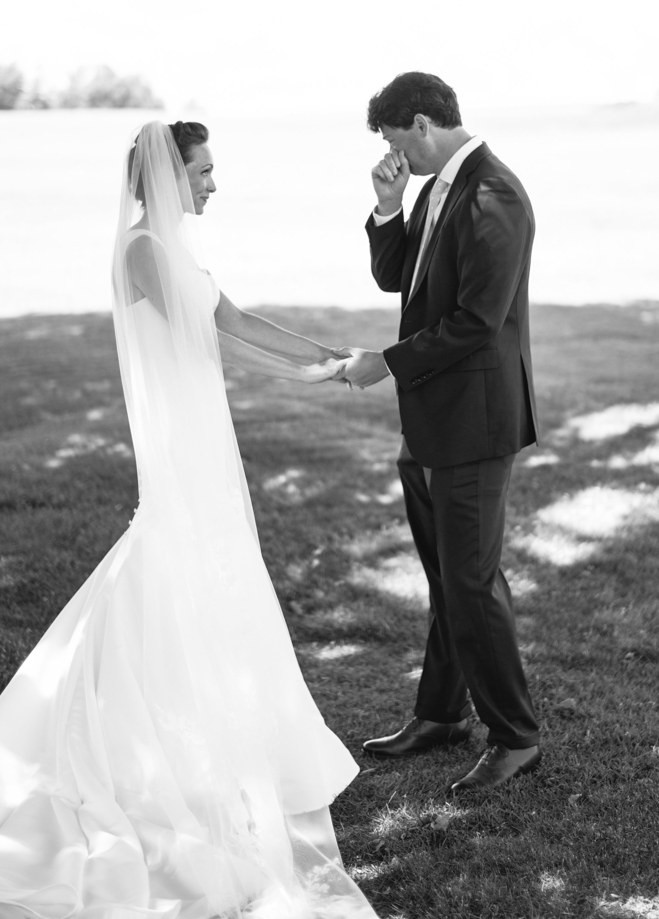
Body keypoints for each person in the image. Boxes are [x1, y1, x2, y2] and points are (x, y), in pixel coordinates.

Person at [0, 121, 378, 919]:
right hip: (181, 445)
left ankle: (208, 737)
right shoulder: (143, 250)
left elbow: (238, 321)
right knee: (166, 565)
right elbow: (209, 341)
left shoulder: (178, 252)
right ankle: (123, 737)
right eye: (204, 172)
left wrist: (332, 357)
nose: (213, 184)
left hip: (207, 440)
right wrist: (309, 380)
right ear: (170, 178)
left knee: (206, 576)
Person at [342, 72, 541, 796]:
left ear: (422, 123)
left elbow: (476, 322)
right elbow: (400, 279)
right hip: (430, 422)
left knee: (470, 579)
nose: (396, 155)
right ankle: (440, 714)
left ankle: (516, 737)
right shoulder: (433, 190)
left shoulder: (494, 193)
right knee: (445, 577)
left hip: (474, 424)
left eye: (397, 142)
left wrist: (384, 365)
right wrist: (388, 207)